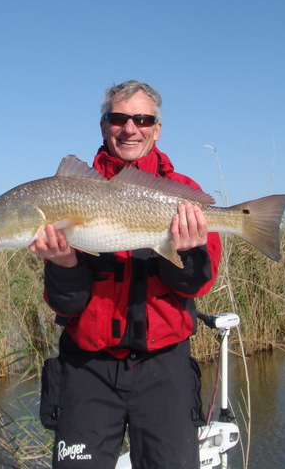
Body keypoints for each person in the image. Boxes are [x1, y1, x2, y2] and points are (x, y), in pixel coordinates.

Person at [29, 80, 221, 469]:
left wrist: (187, 250)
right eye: (118, 118)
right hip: (87, 368)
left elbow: (197, 283)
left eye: (142, 118)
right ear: (104, 126)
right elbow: (68, 303)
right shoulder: (67, 193)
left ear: (157, 128)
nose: (130, 128)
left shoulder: (183, 193)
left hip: (164, 368)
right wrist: (65, 264)